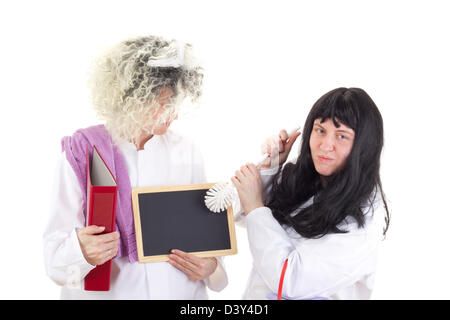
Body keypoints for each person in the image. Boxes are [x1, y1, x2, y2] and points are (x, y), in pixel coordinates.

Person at [43, 35, 227, 299]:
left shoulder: (186, 151)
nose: (173, 115)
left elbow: (208, 242)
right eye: (164, 104)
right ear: (130, 98)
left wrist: (211, 268)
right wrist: (81, 251)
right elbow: (55, 263)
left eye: (175, 104)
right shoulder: (82, 152)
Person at [232, 87, 390, 299]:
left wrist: (255, 208)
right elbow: (236, 213)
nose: (326, 145)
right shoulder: (307, 180)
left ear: (364, 146)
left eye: (341, 136)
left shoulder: (363, 221)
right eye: (320, 130)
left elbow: (289, 280)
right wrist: (271, 167)